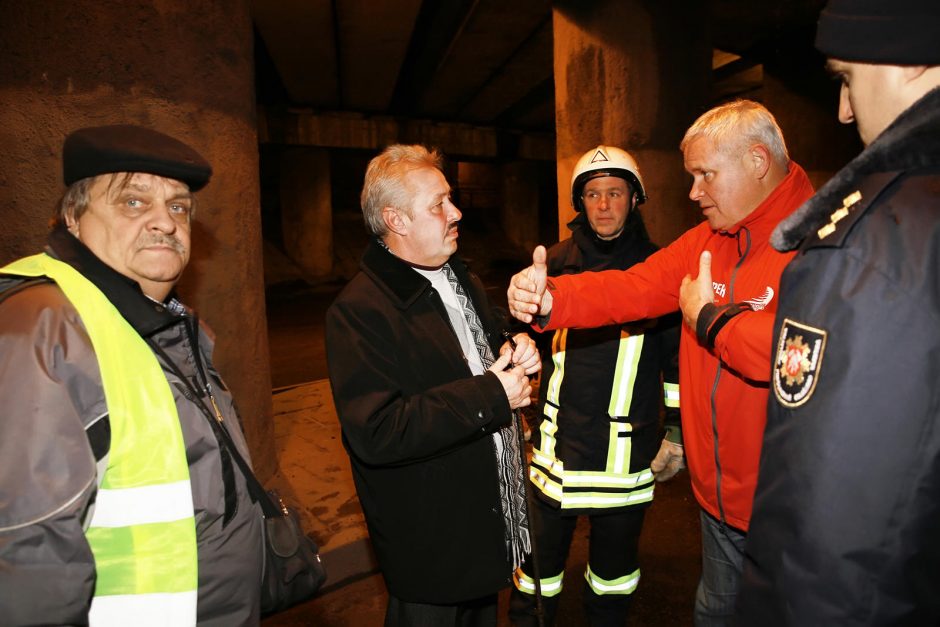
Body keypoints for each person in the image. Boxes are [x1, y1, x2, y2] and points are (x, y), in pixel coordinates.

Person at [507, 101, 815, 626]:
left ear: (757, 161)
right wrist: (552, 299)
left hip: (788, 506)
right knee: (714, 612)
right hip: (717, 497)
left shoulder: (822, 241)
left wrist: (711, 321)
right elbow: (634, 286)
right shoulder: (708, 240)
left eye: (705, 175)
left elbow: (804, 359)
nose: (694, 191)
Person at [0, 125, 263, 625]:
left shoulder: (167, 321)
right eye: (134, 203)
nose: (166, 222)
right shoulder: (41, 326)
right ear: (73, 219)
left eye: (179, 206)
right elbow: (24, 553)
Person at [738, 1, 940, 624]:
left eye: (847, 78)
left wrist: (711, 320)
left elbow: (827, 533)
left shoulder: (867, 245)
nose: (845, 111)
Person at [325, 144, 540, 626]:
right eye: (439, 204)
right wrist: (492, 393)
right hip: (433, 552)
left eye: (451, 199)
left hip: (484, 530)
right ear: (396, 221)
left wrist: (515, 348)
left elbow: (475, 354)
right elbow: (378, 431)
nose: (456, 212)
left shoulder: (459, 277)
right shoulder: (359, 311)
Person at [508, 146, 681, 626]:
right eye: (592, 194)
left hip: (623, 460)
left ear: (634, 198)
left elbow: (676, 362)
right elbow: (526, 348)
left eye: (614, 193)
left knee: (612, 582)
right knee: (536, 580)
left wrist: (675, 436)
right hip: (554, 453)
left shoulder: (659, 267)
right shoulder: (555, 264)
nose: (603, 205)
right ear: (580, 202)